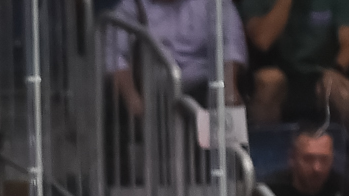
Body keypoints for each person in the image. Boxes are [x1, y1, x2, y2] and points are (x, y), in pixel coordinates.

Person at [105, 0, 247, 114]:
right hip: (154, 95)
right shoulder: (131, 6)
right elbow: (115, 55)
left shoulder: (212, 3)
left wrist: (228, 87)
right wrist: (132, 99)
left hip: (205, 90)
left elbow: (231, 44)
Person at [242, 0, 349, 125]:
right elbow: (263, 40)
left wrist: (336, 70)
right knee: (269, 82)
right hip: (275, 69)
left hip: (321, 71)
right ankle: (266, 143)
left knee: (343, 93)